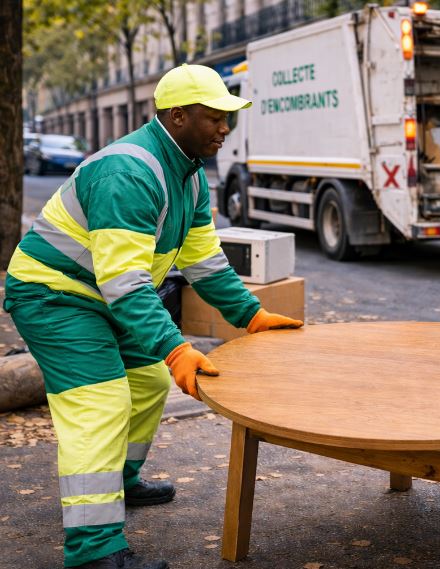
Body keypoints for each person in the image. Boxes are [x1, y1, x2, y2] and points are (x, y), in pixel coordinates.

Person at [4, 64, 303, 569]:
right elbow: (125, 283)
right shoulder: (130, 172)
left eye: (227, 117)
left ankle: (119, 479)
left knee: (146, 382)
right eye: (214, 117)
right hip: (54, 295)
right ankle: (94, 551)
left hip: (99, 295)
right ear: (178, 115)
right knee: (99, 401)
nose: (224, 128)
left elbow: (205, 262)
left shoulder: (188, 174)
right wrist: (176, 347)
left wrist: (251, 316)